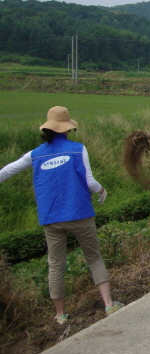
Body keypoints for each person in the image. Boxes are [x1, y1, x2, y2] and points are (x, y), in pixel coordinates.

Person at [0, 106, 124, 324]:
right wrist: (102, 191)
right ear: (67, 128)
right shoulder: (78, 149)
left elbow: (8, 170)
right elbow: (89, 182)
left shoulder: (35, 154)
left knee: (56, 264)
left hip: (51, 218)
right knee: (94, 257)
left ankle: (60, 315)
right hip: (80, 214)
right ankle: (109, 305)